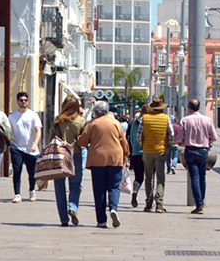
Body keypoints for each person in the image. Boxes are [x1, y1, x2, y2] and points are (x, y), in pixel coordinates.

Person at [77, 100, 130, 229]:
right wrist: (126, 155)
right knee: (114, 186)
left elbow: (83, 142)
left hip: (97, 159)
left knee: (99, 189)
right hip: (115, 158)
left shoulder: (92, 124)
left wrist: (78, 138)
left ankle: (101, 220)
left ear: (95, 112)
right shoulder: (115, 123)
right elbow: (124, 142)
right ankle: (113, 208)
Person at [176, 99, 218, 214]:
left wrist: (183, 141)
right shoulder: (207, 120)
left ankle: (199, 203)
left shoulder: (185, 120)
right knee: (202, 177)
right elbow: (214, 137)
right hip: (203, 151)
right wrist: (207, 142)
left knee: (194, 177)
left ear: (189, 108)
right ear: (199, 107)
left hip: (190, 151)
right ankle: (201, 201)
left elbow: (179, 139)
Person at [50, 96, 86, 226]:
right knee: (75, 186)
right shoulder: (81, 121)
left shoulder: (57, 121)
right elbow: (84, 141)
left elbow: (50, 139)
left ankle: (63, 219)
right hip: (75, 154)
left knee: (59, 187)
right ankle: (73, 207)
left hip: (60, 155)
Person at [136, 96, 174, 213]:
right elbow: (171, 135)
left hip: (147, 151)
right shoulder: (166, 118)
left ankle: (148, 203)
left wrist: (142, 146)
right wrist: (168, 146)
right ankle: (159, 204)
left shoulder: (144, 118)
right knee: (160, 177)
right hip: (161, 151)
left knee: (148, 177)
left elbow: (139, 135)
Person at [8, 91, 42, 203]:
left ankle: (32, 191)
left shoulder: (33, 115)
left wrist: (35, 144)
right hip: (16, 147)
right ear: (17, 102)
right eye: (21, 100)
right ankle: (17, 194)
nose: (23, 102)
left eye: (25, 100)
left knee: (32, 172)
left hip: (31, 149)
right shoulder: (12, 117)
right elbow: (8, 132)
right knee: (17, 170)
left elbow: (38, 131)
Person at [127, 104, 148, 208]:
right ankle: (149, 200)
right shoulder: (147, 122)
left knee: (138, 177)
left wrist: (131, 152)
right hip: (146, 152)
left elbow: (130, 138)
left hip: (135, 153)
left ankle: (135, 192)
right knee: (149, 177)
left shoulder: (133, 123)